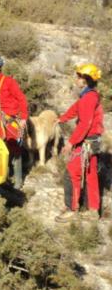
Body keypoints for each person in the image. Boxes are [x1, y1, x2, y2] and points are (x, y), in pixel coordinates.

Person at [55, 64, 104, 223]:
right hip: (93, 141)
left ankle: (72, 208)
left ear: (87, 79)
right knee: (91, 175)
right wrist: (62, 118)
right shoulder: (89, 95)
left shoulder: (88, 98)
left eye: (79, 77)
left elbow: (84, 124)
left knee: (71, 173)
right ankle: (93, 210)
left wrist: (70, 143)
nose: (77, 79)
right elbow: (76, 109)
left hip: (86, 143)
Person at [0, 54, 28, 189]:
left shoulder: (9, 82)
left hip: (12, 121)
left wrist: (24, 117)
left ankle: (18, 182)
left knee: (15, 150)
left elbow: (21, 99)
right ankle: (3, 178)